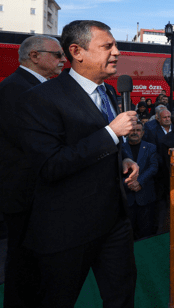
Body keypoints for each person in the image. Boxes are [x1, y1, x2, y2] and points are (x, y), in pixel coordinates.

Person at [19, 20, 140, 307]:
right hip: (67, 229)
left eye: (115, 46)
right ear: (77, 51)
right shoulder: (41, 99)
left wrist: (124, 158)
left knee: (121, 296)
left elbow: (106, 148)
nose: (117, 52)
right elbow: (50, 165)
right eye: (107, 46)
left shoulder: (109, 92)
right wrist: (111, 133)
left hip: (114, 222)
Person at [0, 35, 67, 307]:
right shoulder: (18, 89)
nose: (63, 59)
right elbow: (31, 144)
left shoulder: (26, 86)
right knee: (24, 264)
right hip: (26, 193)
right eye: (57, 54)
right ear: (35, 56)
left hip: (31, 192)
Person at [122, 122, 159, 240]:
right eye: (132, 130)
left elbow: (153, 167)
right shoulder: (120, 148)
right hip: (127, 197)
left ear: (142, 133)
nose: (135, 133)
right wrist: (129, 183)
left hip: (145, 196)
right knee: (128, 233)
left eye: (138, 130)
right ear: (127, 133)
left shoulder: (151, 147)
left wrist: (139, 182)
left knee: (146, 232)